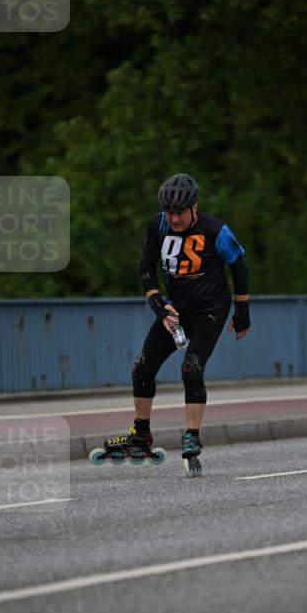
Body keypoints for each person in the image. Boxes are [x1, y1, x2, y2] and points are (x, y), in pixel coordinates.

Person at [103, 173, 251, 475]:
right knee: (142, 368)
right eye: (168, 212)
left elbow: (239, 266)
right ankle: (141, 434)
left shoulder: (215, 230)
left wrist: (242, 311)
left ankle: (192, 436)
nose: (174, 218)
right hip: (176, 309)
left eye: (180, 212)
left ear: (194, 207)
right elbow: (146, 267)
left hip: (211, 308)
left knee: (191, 368)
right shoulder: (156, 226)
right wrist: (159, 305)